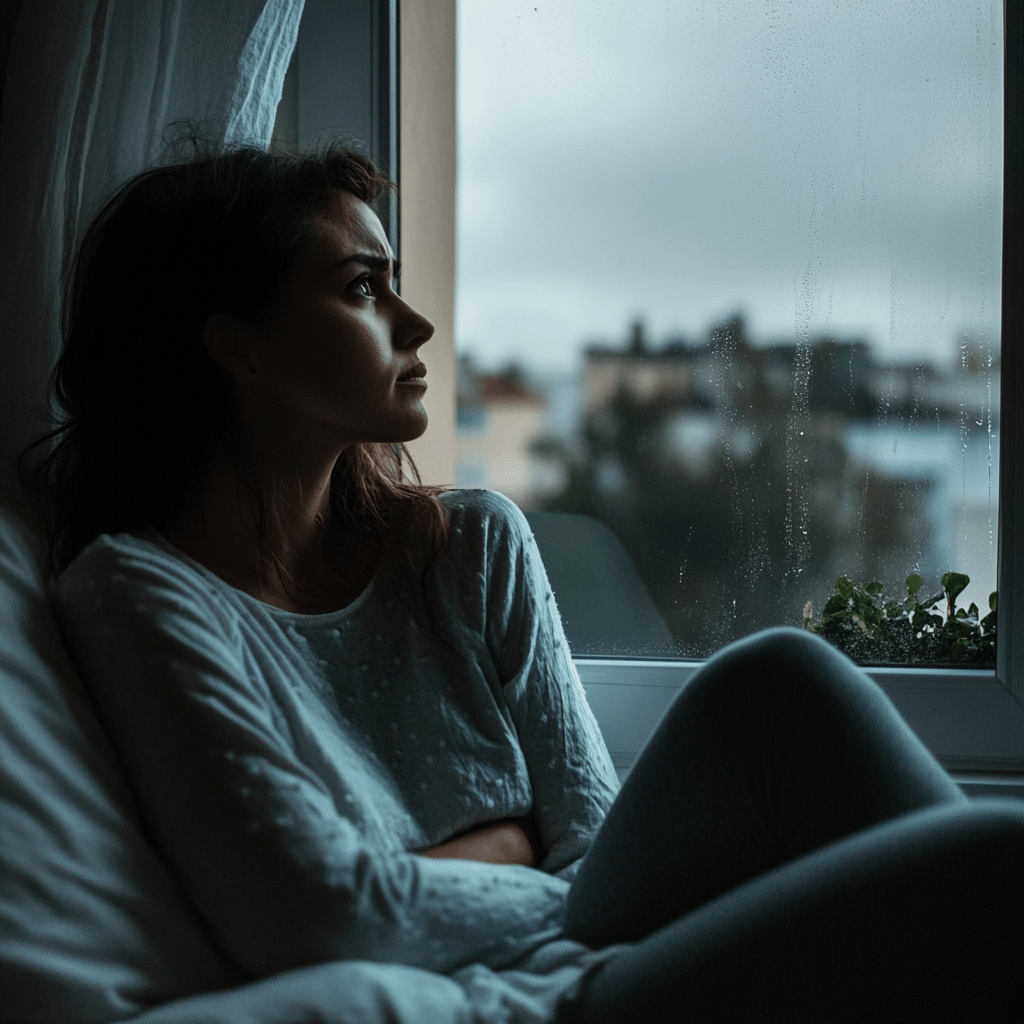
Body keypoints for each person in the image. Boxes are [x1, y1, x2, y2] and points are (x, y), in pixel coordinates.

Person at [21, 143, 1023, 1023]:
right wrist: (513, 850)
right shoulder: (137, 591)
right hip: (522, 1002)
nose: (412, 322)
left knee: (782, 681)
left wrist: (522, 865)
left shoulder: (468, 548)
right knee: (991, 862)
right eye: (361, 288)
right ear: (237, 345)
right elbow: (323, 914)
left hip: (602, 945)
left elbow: (591, 842)